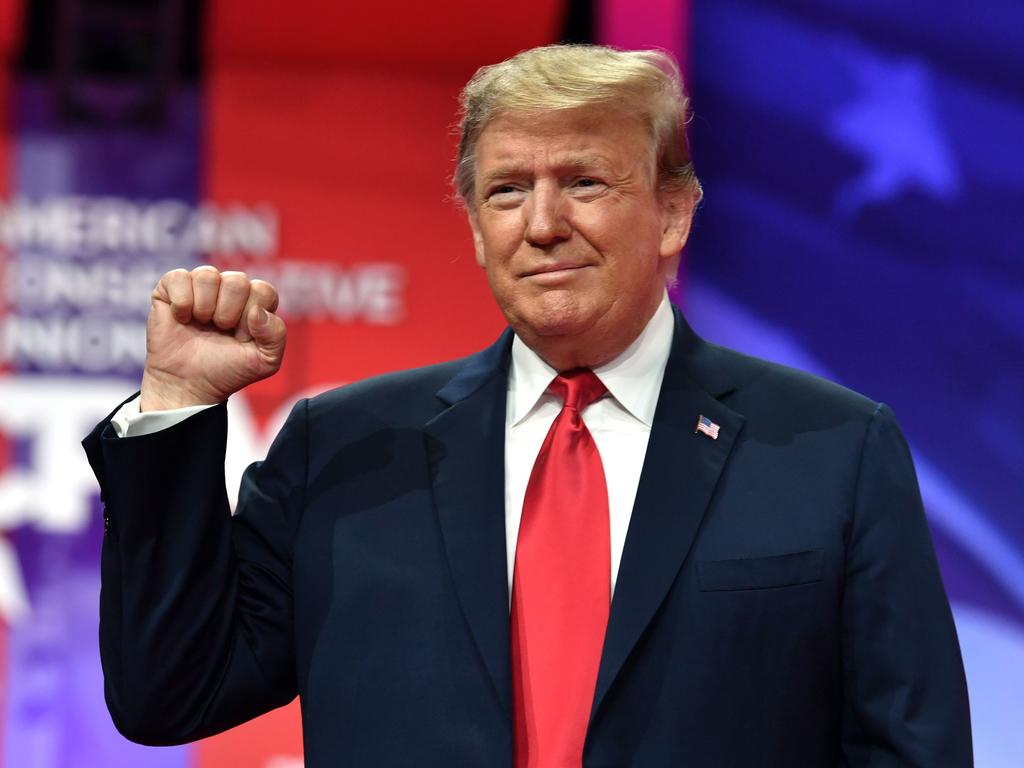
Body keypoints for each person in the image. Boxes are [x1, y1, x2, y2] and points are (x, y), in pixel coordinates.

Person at [83, 45, 972, 767]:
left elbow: (910, 747)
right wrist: (179, 404)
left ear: (672, 212)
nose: (541, 223)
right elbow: (172, 695)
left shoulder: (830, 447)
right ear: (475, 228)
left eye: (585, 182)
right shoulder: (344, 448)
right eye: (507, 190)